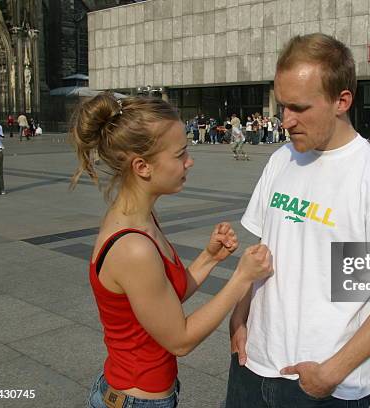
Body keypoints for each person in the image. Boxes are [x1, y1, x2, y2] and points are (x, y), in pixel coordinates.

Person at [226, 33, 370, 408]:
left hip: (324, 385)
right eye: (282, 106)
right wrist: (239, 321)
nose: (286, 120)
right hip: (253, 364)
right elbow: (259, 253)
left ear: (341, 101)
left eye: (299, 107)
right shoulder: (281, 159)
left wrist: (331, 372)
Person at [69, 94, 273, 408]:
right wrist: (241, 279)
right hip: (135, 399)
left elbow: (163, 298)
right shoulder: (133, 247)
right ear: (142, 166)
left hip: (136, 393)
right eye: (180, 154)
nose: (189, 161)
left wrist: (209, 257)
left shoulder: (140, 218)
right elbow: (180, 339)